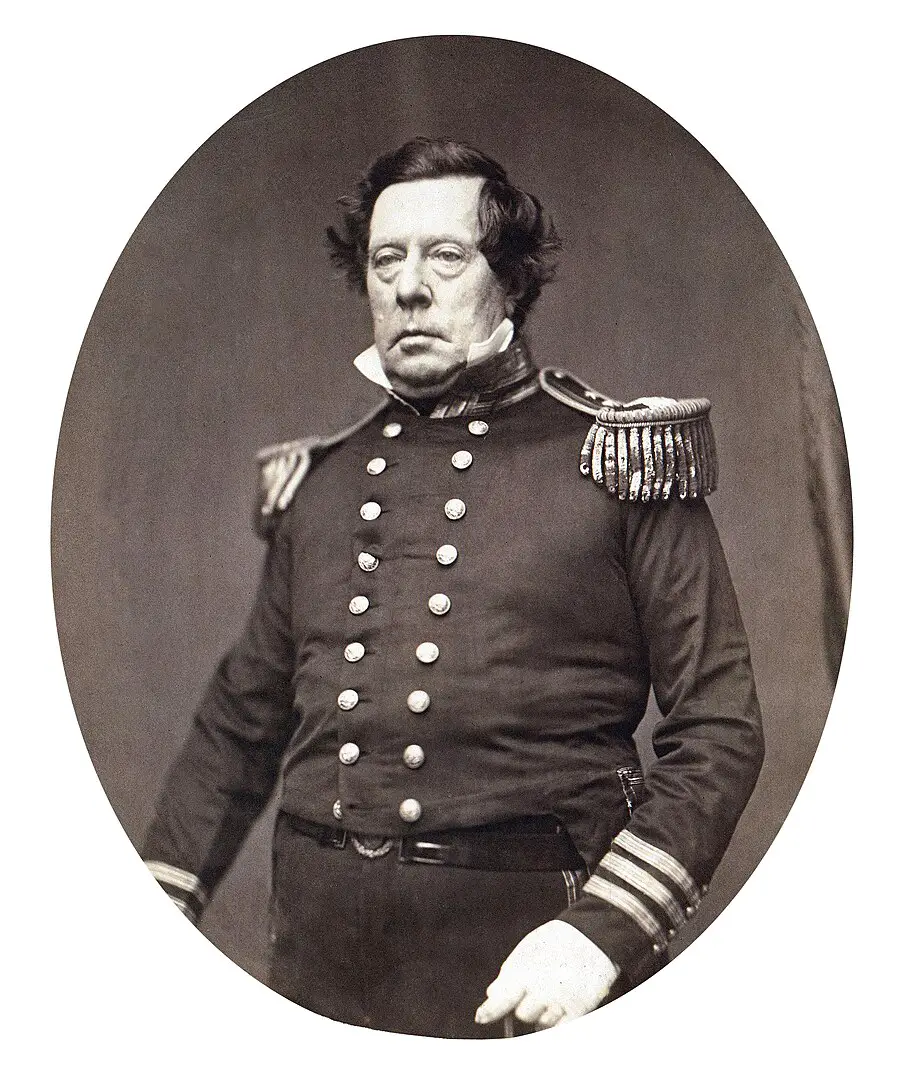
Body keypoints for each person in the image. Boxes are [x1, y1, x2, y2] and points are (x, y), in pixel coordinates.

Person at [142, 137, 764, 1038]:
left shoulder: (618, 461)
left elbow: (719, 728)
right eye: (384, 259)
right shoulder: (322, 481)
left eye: (444, 255)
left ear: (507, 279)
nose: (408, 287)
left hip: (527, 949)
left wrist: (602, 933)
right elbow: (240, 723)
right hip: (317, 956)